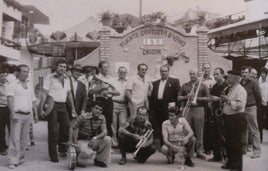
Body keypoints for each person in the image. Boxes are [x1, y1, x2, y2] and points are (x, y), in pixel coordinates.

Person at [39, 59, 76, 162]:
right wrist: (41, 108)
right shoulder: (49, 77)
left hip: (63, 106)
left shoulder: (67, 78)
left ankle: (63, 150)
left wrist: (73, 108)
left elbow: (69, 95)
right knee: (53, 131)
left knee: (67, 128)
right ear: (56, 66)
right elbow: (44, 93)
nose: (62, 68)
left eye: (64, 67)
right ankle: (53, 155)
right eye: (60, 66)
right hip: (53, 105)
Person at [6, 64, 38, 169]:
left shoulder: (29, 84)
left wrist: (36, 114)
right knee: (15, 138)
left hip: (28, 115)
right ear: (18, 72)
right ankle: (12, 160)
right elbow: (10, 99)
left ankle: (20, 159)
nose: (26, 74)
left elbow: (33, 100)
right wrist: (12, 113)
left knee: (24, 139)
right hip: (17, 115)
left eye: (27, 72)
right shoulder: (13, 84)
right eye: (24, 71)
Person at [177, 69, 210, 160]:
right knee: (187, 131)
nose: (192, 75)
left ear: (197, 75)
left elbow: (208, 98)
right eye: (190, 74)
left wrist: (197, 98)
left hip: (199, 109)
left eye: (194, 74)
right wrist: (186, 97)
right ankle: (188, 151)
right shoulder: (185, 86)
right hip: (188, 109)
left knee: (199, 131)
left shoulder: (203, 86)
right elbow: (178, 98)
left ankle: (199, 151)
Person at [68, 101, 112, 168]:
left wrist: (95, 138)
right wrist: (70, 141)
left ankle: (99, 160)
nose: (98, 111)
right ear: (92, 108)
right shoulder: (83, 117)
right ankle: (79, 155)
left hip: (93, 140)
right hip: (83, 141)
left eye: (100, 109)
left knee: (107, 139)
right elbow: (71, 128)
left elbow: (105, 132)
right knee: (82, 163)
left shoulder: (102, 117)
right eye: (96, 108)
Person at [221, 70, 247, 171]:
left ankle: (237, 166)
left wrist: (226, 100)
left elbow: (239, 106)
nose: (227, 80)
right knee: (229, 142)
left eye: (229, 78)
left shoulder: (240, 90)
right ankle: (230, 163)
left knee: (236, 143)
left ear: (235, 79)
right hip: (228, 118)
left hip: (236, 118)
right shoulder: (230, 88)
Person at [150, 65, 180, 146]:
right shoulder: (155, 83)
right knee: (160, 126)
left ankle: (171, 144)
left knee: (169, 126)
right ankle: (163, 144)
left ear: (168, 71)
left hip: (169, 108)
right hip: (158, 108)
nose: (163, 72)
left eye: (165, 71)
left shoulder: (174, 81)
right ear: (160, 72)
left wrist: (177, 108)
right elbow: (153, 97)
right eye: (162, 71)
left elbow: (177, 95)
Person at [208, 67, 229, 162]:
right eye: (214, 74)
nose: (215, 76)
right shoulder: (215, 86)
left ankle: (226, 156)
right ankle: (216, 156)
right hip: (216, 113)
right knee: (215, 134)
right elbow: (211, 97)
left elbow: (230, 99)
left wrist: (219, 99)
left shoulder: (227, 85)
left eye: (217, 74)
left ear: (222, 74)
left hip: (225, 113)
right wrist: (210, 102)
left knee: (223, 136)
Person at [240, 66, 262, 158]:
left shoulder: (253, 83)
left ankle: (257, 151)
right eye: (243, 72)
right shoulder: (239, 83)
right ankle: (243, 149)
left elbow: (258, 96)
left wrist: (255, 106)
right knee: (243, 129)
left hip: (251, 108)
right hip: (242, 109)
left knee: (254, 130)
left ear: (249, 73)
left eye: (246, 72)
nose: (244, 74)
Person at [96, 60, 119, 137]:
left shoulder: (111, 78)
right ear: (100, 68)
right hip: (99, 100)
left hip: (109, 101)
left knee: (109, 121)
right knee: (98, 120)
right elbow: (92, 91)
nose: (107, 69)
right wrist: (101, 89)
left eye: (107, 67)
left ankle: (108, 141)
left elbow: (117, 92)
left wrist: (109, 92)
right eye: (105, 67)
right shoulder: (96, 77)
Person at [111, 66, 128, 147]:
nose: (122, 74)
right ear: (118, 73)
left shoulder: (128, 82)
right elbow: (109, 92)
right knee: (113, 124)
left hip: (124, 105)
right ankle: (114, 143)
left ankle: (121, 142)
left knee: (123, 123)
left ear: (126, 73)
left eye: (124, 72)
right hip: (114, 103)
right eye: (121, 72)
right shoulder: (113, 81)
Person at [202, 63, 216, 155]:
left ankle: (209, 147)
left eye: (208, 68)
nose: (206, 70)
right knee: (202, 126)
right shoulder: (199, 80)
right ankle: (202, 146)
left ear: (210, 69)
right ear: (202, 69)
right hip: (202, 105)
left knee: (210, 127)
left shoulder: (213, 81)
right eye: (205, 68)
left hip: (211, 106)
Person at [0, 67, 10, 156]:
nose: (4, 77)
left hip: (9, 109)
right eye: (2, 75)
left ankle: (12, 147)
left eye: (5, 75)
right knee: (1, 130)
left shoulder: (9, 84)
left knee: (12, 129)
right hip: (1, 109)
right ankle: (2, 148)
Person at [258, 67, 268, 143]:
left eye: (264, 73)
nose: (262, 75)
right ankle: (260, 138)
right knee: (260, 120)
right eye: (261, 73)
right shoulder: (259, 82)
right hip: (261, 103)